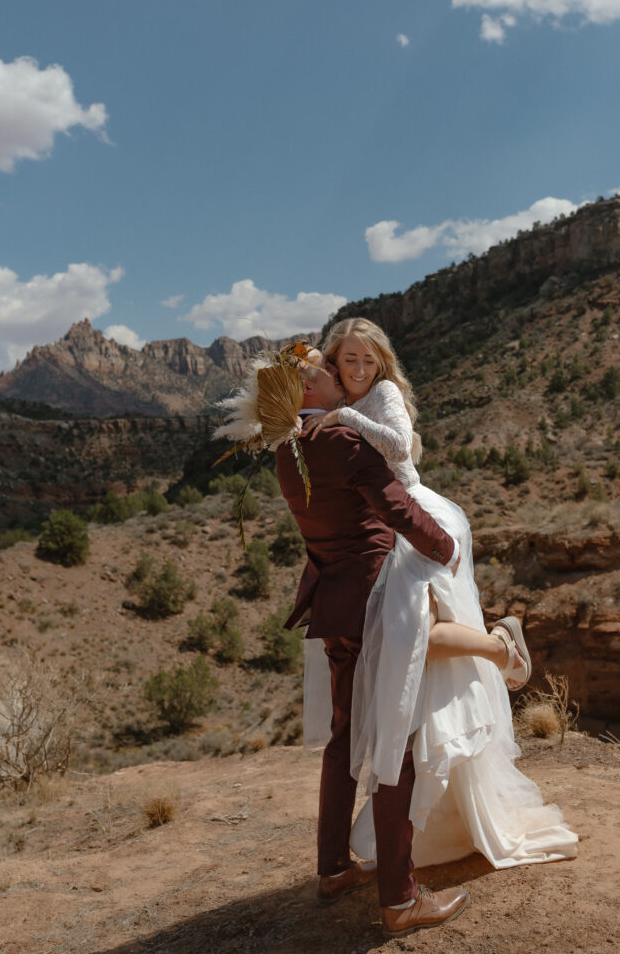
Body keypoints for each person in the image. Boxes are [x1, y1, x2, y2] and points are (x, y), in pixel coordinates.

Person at [302, 317, 578, 874]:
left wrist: (345, 415)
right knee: (418, 652)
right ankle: (501, 646)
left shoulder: (380, 396)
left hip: (415, 520)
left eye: (367, 360)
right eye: (347, 360)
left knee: (419, 642)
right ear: (333, 363)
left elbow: (400, 447)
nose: (358, 369)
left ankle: (501, 647)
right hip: (386, 527)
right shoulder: (325, 416)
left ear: (381, 363)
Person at [216, 347, 470, 937]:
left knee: (344, 738)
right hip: (378, 604)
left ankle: (333, 867)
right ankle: (401, 900)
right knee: (395, 744)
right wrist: (447, 548)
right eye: (324, 370)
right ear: (307, 392)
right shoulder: (341, 444)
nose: (334, 371)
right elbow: (397, 506)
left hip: (332, 604)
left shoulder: (287, 451)